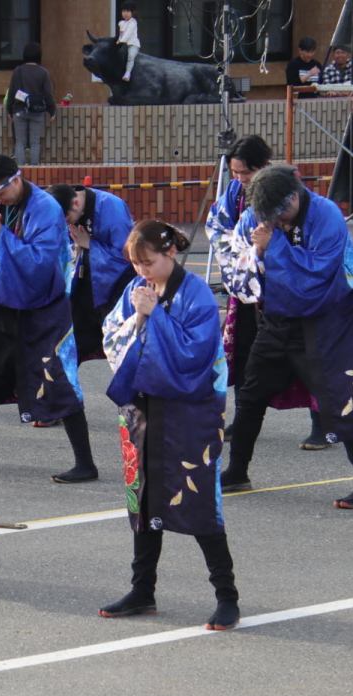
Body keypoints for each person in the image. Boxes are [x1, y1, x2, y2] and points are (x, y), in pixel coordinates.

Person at [98, 220, 239, 630]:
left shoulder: (195, 292)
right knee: (143, 500)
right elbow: (112, 335)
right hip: (144, 407)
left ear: (171, 253)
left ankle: (227, 595)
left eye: (148, 262)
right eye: (135, 264)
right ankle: (143, 588)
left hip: (190, 409)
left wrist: (153, 316)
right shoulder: (135, 290)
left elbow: (196, 355)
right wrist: (139, 319)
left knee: (198, 501)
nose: (141, 272)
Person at [219, 165, 353, 509]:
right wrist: (257, 253)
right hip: (278, 315)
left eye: (281, 215)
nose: (274, 222)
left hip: (330, 316)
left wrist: (272, 245)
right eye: (267, 218)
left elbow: (317, 274)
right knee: (250, 392)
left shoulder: (326, 215)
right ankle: (236, 471)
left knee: (342, 396)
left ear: (293, 196)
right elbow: (237, 267)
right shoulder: (255, 215)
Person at [0, 154, 97, 483]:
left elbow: (41, 261)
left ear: (15, 179)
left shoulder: (46, 208)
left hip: (42, 307)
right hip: (4, 304)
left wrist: (0, 234)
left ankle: (86, 463)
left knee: (59, 378)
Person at [206, 135, 325, 449]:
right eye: (236, 173)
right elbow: (217, 228)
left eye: (246, 172)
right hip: (246, 285)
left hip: (288, 288)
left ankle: (323, 421)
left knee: (307, 356)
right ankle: (244, 414)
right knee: (244, 353)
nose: (241, 179)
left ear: (264, 166)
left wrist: (268, 251)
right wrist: (243, 254)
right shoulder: (233, 194)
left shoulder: (288, 191)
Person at [46, 182, 135, 362]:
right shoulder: (72, 206)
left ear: (76, 204)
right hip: (86, 281)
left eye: (67, 219)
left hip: (116, 286)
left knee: (121, 345)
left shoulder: (112, 208)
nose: (67, 224)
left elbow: (126, 256)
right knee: (70, 341)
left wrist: (90, 245)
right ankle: (63, 388)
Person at [5, 43, 55, 167]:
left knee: (20, 142)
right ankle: (34, 168)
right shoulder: (43, 72)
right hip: (37, 111)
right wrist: (52, 111)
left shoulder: (18, 71)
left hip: (19, 110)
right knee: (35, 142)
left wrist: (9, 110)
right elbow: (48, 93)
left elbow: (12, 91)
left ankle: (20, 168)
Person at [117, 2, 140, 83]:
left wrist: (121, 41)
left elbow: (128, 34)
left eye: (128, 11)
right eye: (123, 11)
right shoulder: (122, 23)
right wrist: (118, 40)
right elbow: (121, 34)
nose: (125, 13)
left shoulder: (133, 23)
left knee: (131, 56)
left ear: (132, 12)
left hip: (132, 45)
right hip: (124, 45)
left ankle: (128, 73)